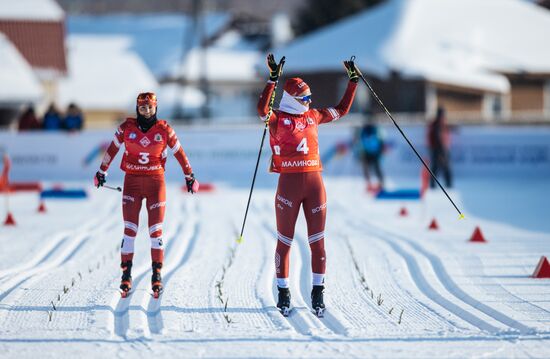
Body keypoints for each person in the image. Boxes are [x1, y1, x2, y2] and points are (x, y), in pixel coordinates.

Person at [258, 53, 358, 315]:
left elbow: (343, 109)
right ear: (292, 99)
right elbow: (262, 110)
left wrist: (353, 82)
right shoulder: (278, 118)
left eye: (310, 98)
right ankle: (283, 292)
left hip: (315, 185)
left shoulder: (314, 115)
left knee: (318, 243)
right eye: (304, 98)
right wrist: (272, 80)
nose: (310, 101)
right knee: (285, 242)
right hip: (289, 186)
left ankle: (318, 293)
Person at [94, 92, 199, 297]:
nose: (146, 110)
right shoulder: (126, 128)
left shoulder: (164, 130)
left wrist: (189, 176)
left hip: (155, 184)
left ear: (155, 107)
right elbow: (112, 149)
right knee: (130, 230)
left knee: (155, 232)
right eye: (142, 107)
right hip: (131, 182)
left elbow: (180, 153)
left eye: (150, 107)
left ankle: (156, 275)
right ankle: (126, 275)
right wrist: (101, 171)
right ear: (137, 109)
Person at [427, 106, 452, 188]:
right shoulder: (437, 124)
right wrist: (441, 150)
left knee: (439, 168)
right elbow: (438, 138)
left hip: (441, 149)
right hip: (439, 149)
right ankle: (444, 184)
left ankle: (446, 184)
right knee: (441, 167)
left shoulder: (441, 123)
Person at [357, 118, 385, 191]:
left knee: (377, 168)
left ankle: (381, 184)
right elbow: (360, 142)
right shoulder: (364, 130)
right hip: (367, 152)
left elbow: (381, 140)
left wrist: (381, 150)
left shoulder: (376, 129)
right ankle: (369, 184)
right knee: (366, 169)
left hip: (375, 152)